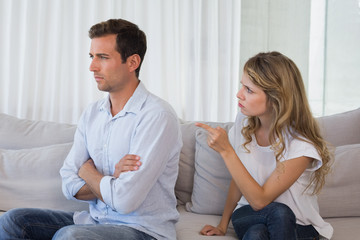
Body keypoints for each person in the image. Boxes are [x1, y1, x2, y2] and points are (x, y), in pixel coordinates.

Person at [0, 19, 182, 240]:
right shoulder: (93, 113)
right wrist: (110, 178)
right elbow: (68, 181)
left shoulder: (157, 116)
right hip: (94, 221)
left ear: (133, 62)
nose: (92, 66)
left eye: (103, 57)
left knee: (71, 237)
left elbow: (125, 201)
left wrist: (88, 172)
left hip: (142, 230)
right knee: (13, 220)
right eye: (92, 56)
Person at [197, 51, 333, 240]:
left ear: (276, 98)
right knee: (273, 216)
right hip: (249, 214)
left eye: (249, 90)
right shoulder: (244, 122)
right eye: (242, 86)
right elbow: (239, 180)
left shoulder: (301, 145)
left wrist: (226, 151)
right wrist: (222, 225)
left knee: (260, 231)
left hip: (299, 227)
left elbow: (261, 199)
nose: (239, 94)